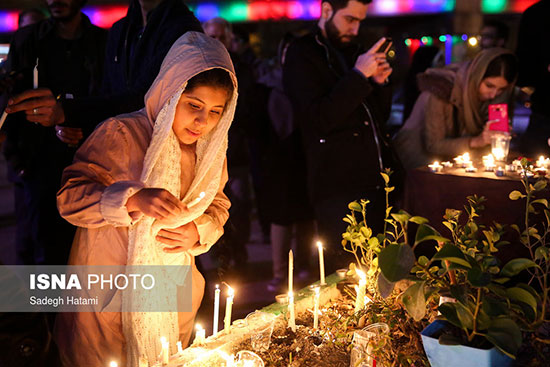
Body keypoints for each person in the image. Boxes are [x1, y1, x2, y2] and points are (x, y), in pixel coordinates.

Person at [54, 32, 236, 367]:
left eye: (215, 111)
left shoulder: (209, 153)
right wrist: (132, 200)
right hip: (106, 293)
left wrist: (199, 230)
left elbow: (218, 206)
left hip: (173, 297)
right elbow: (69, 199)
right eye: (193, 105)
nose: (202, 121)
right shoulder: (121, 134)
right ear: (170, 93)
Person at [283, 0, 399, 273]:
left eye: (359, 21)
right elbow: (319, 119)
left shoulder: (355, 51)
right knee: (345, 274)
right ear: (326, 11)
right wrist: (359, 75)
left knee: (381, 272)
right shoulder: (302, 53)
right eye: (349, 19)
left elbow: (379, 116)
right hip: (336, 185)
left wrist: (379, 83)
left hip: (377, 180)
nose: (355, 28)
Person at [1, 0, 107, 265]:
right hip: (38, 162)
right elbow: (9, 98)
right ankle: (44, 305)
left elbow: (108, 99)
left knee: (86, 249)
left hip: (89, 156)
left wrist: (85, 127)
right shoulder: (28, 39)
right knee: (41, 248)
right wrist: (18, 161)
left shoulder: (101, 41)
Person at [5, 0, 203, 138]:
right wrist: (79, 123)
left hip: (159, 152)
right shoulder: (120, 30)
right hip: (116, 152)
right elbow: (109, 92)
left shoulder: (184, 30)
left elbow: (147, 99)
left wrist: (68, 112)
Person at [393, 49, 518, 169]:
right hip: (416, 164)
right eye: (489, 86)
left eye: (501, 89)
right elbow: (434, 145)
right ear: (477, 76)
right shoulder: (440, 91)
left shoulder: (493, 100)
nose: (493, 94)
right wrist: (477, 141)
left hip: (452, 165)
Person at [260, 33, 315, 292]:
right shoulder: (268, 85)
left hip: (304, 158)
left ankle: (303, 267)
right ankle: (279, 273)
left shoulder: (308, 82)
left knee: (305, 217)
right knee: (281, 218)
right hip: (279, 162)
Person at [516, 0, 550, 155]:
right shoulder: (535, 14)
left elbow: (525, 71)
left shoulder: (535, 13)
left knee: (534, 169)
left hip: (544, 107)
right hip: (543, 108)